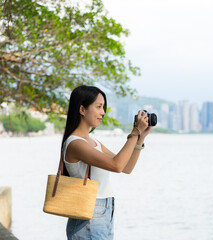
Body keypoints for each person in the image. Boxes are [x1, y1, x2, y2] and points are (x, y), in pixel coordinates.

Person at [61, 85, 152, 240]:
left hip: (104, 211)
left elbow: (126, 167)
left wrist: (140, 137)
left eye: (103, 107)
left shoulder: (92, 141)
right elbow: (116, 165)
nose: (102, 112)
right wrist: (134, 131)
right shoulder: (75, 143)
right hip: (90, 215)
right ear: (82, 109)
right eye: (98, 107)